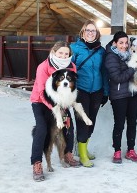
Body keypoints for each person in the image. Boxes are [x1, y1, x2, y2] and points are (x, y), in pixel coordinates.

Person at [30, 41, 80, 182]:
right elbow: (41, 92)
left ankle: (67, 154)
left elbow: (71, 89)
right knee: (42, 129)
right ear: (54, 52)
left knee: (69, 126)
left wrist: (66, 104)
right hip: (40, 102)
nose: (63, 56)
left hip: (62, 104)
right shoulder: (43, 67)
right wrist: (55, 109)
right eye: (60, 53)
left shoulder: (72, 67)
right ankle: (37, 163)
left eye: (66, 54)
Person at [70, 20, 109, 168]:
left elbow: (104, 72)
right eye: (88, 30)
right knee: (82, 122)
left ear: (97, 33)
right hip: (81, 91)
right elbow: (68, 70)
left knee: (91, 121)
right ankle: (83, 155)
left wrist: (105, 92)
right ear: (83, 32)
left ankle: (84, 149)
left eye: (93, 31)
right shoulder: (74, 48)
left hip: (97, 91)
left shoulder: (101, 51)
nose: (91, 33)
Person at [104, 31, 137, 164]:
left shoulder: (130, 55)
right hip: (118, 95)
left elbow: (136, 72)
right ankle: (117, 151)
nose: (124, 45)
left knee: (132, 123)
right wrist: (132, 69)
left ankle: (131, 150)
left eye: (126, 43)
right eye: (121, 43)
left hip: (131, 94)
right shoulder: (111, 56)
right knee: (119, 124)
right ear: (115, 43)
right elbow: (117, 78)